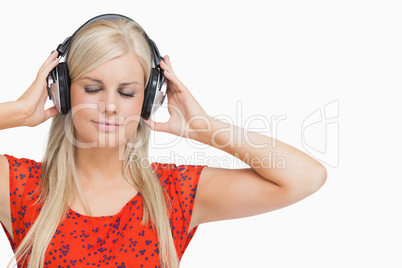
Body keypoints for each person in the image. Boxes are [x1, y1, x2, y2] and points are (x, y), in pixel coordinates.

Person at [0, 14, 327, 268]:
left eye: (126, 92)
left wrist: (205, 128)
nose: (111, 105)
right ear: (62, 90)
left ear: (148, 99)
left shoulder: (174, 193)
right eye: (92, 88)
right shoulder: (19, 186)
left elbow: (305, 177)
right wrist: (17, 112)